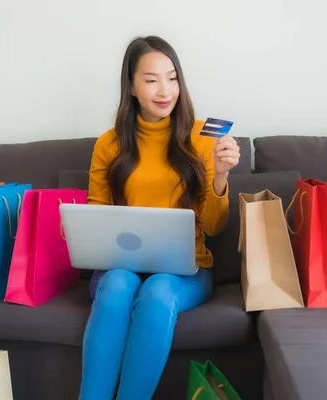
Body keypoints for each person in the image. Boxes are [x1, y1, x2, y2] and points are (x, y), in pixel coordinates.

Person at [79, 35, 241, 400]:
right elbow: (96, 214)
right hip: (119, 268)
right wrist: (79, 228)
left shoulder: (203, 138)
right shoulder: (109, 144)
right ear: (132, 87)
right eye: (151, 80)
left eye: (172, 78)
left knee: (157, 292)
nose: (164, 90)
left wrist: (220, 176)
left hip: (187, 271)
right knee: (119, 283)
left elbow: (214, 226)